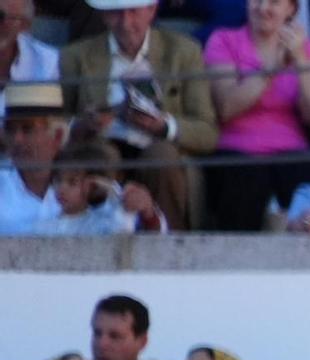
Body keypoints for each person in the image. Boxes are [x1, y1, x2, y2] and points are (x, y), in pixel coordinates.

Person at [59, 0, 218, 231]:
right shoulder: (76, 56)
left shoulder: (184, 52)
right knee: (103, 154)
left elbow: (207, 132)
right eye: (116, 13)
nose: (126, 23)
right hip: (101, 145)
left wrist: (164, 126)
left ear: (151, 11)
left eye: (133, 12)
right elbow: (56, 123)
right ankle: (96, 236)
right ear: (104, 15)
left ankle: (169, 244)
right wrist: (82, 126)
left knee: (160, 154)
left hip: (158, 148)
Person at [202, 0, 310, 232]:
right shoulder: (224, 40)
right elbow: (227, 107)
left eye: (274, 2)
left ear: (291, 9)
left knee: (308, 171)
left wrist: (300, 59)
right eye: (256, 0)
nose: (263, 8)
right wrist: (272, 69)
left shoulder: (306, 48)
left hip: (290, 150)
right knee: (247, 178)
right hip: (237, 148)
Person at [23, 293, 251, 360]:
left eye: (115, 336)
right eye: (97, 333)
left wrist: (206, 355)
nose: (101, 343)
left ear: (142, 342)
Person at [34, 138, 164, 232]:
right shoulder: (44, 224)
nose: (61, 188)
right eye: (57, 181)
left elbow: (122, 231)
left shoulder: (100, 224)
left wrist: (110, 191)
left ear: (94, 185)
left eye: (72, 182)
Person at [0, 81, 70, 233]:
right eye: (10, 129)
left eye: (27, 129)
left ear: (57, 136)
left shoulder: (84, 185)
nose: (17, 140)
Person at [1, 0, 59, 113]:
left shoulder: (48, 61)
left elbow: (51, 122)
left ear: (24, 25)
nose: (2, 24)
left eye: (1, 17)